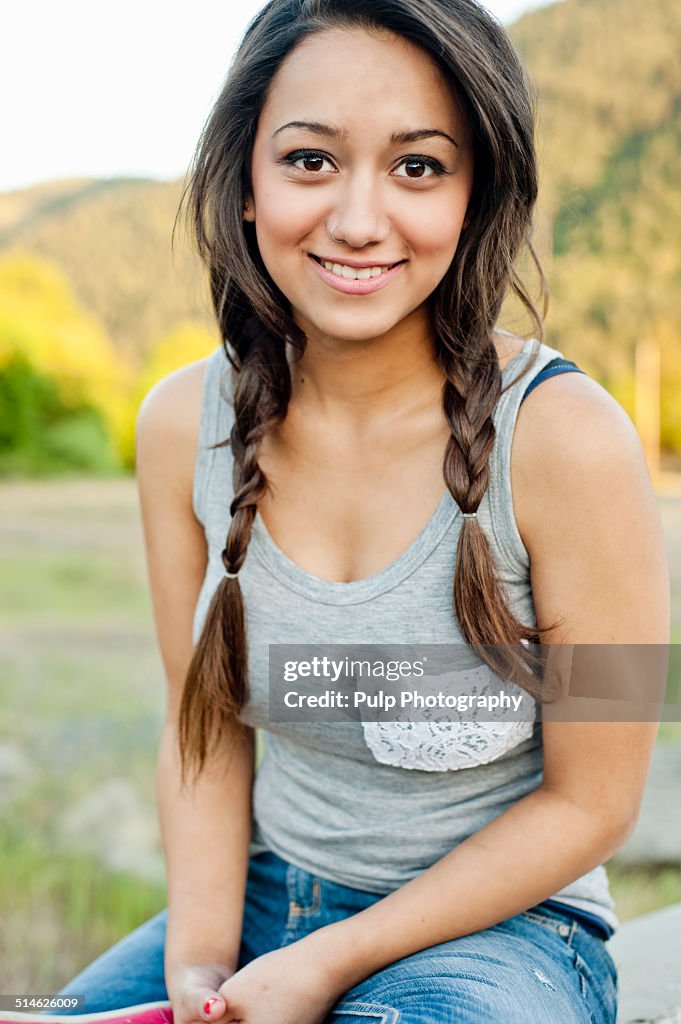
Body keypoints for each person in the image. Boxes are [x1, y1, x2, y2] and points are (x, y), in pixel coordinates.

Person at [50, 1, 669, 1022]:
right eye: (309, 161)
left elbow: (597, 800)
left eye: (419, 166)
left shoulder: (571, 439)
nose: (357, 218)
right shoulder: (178, 426)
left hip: (503, 937)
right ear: (245, 183)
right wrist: (199, 966)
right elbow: (201, 721)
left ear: (477, 195)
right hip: (259, 903)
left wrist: (331, 959)